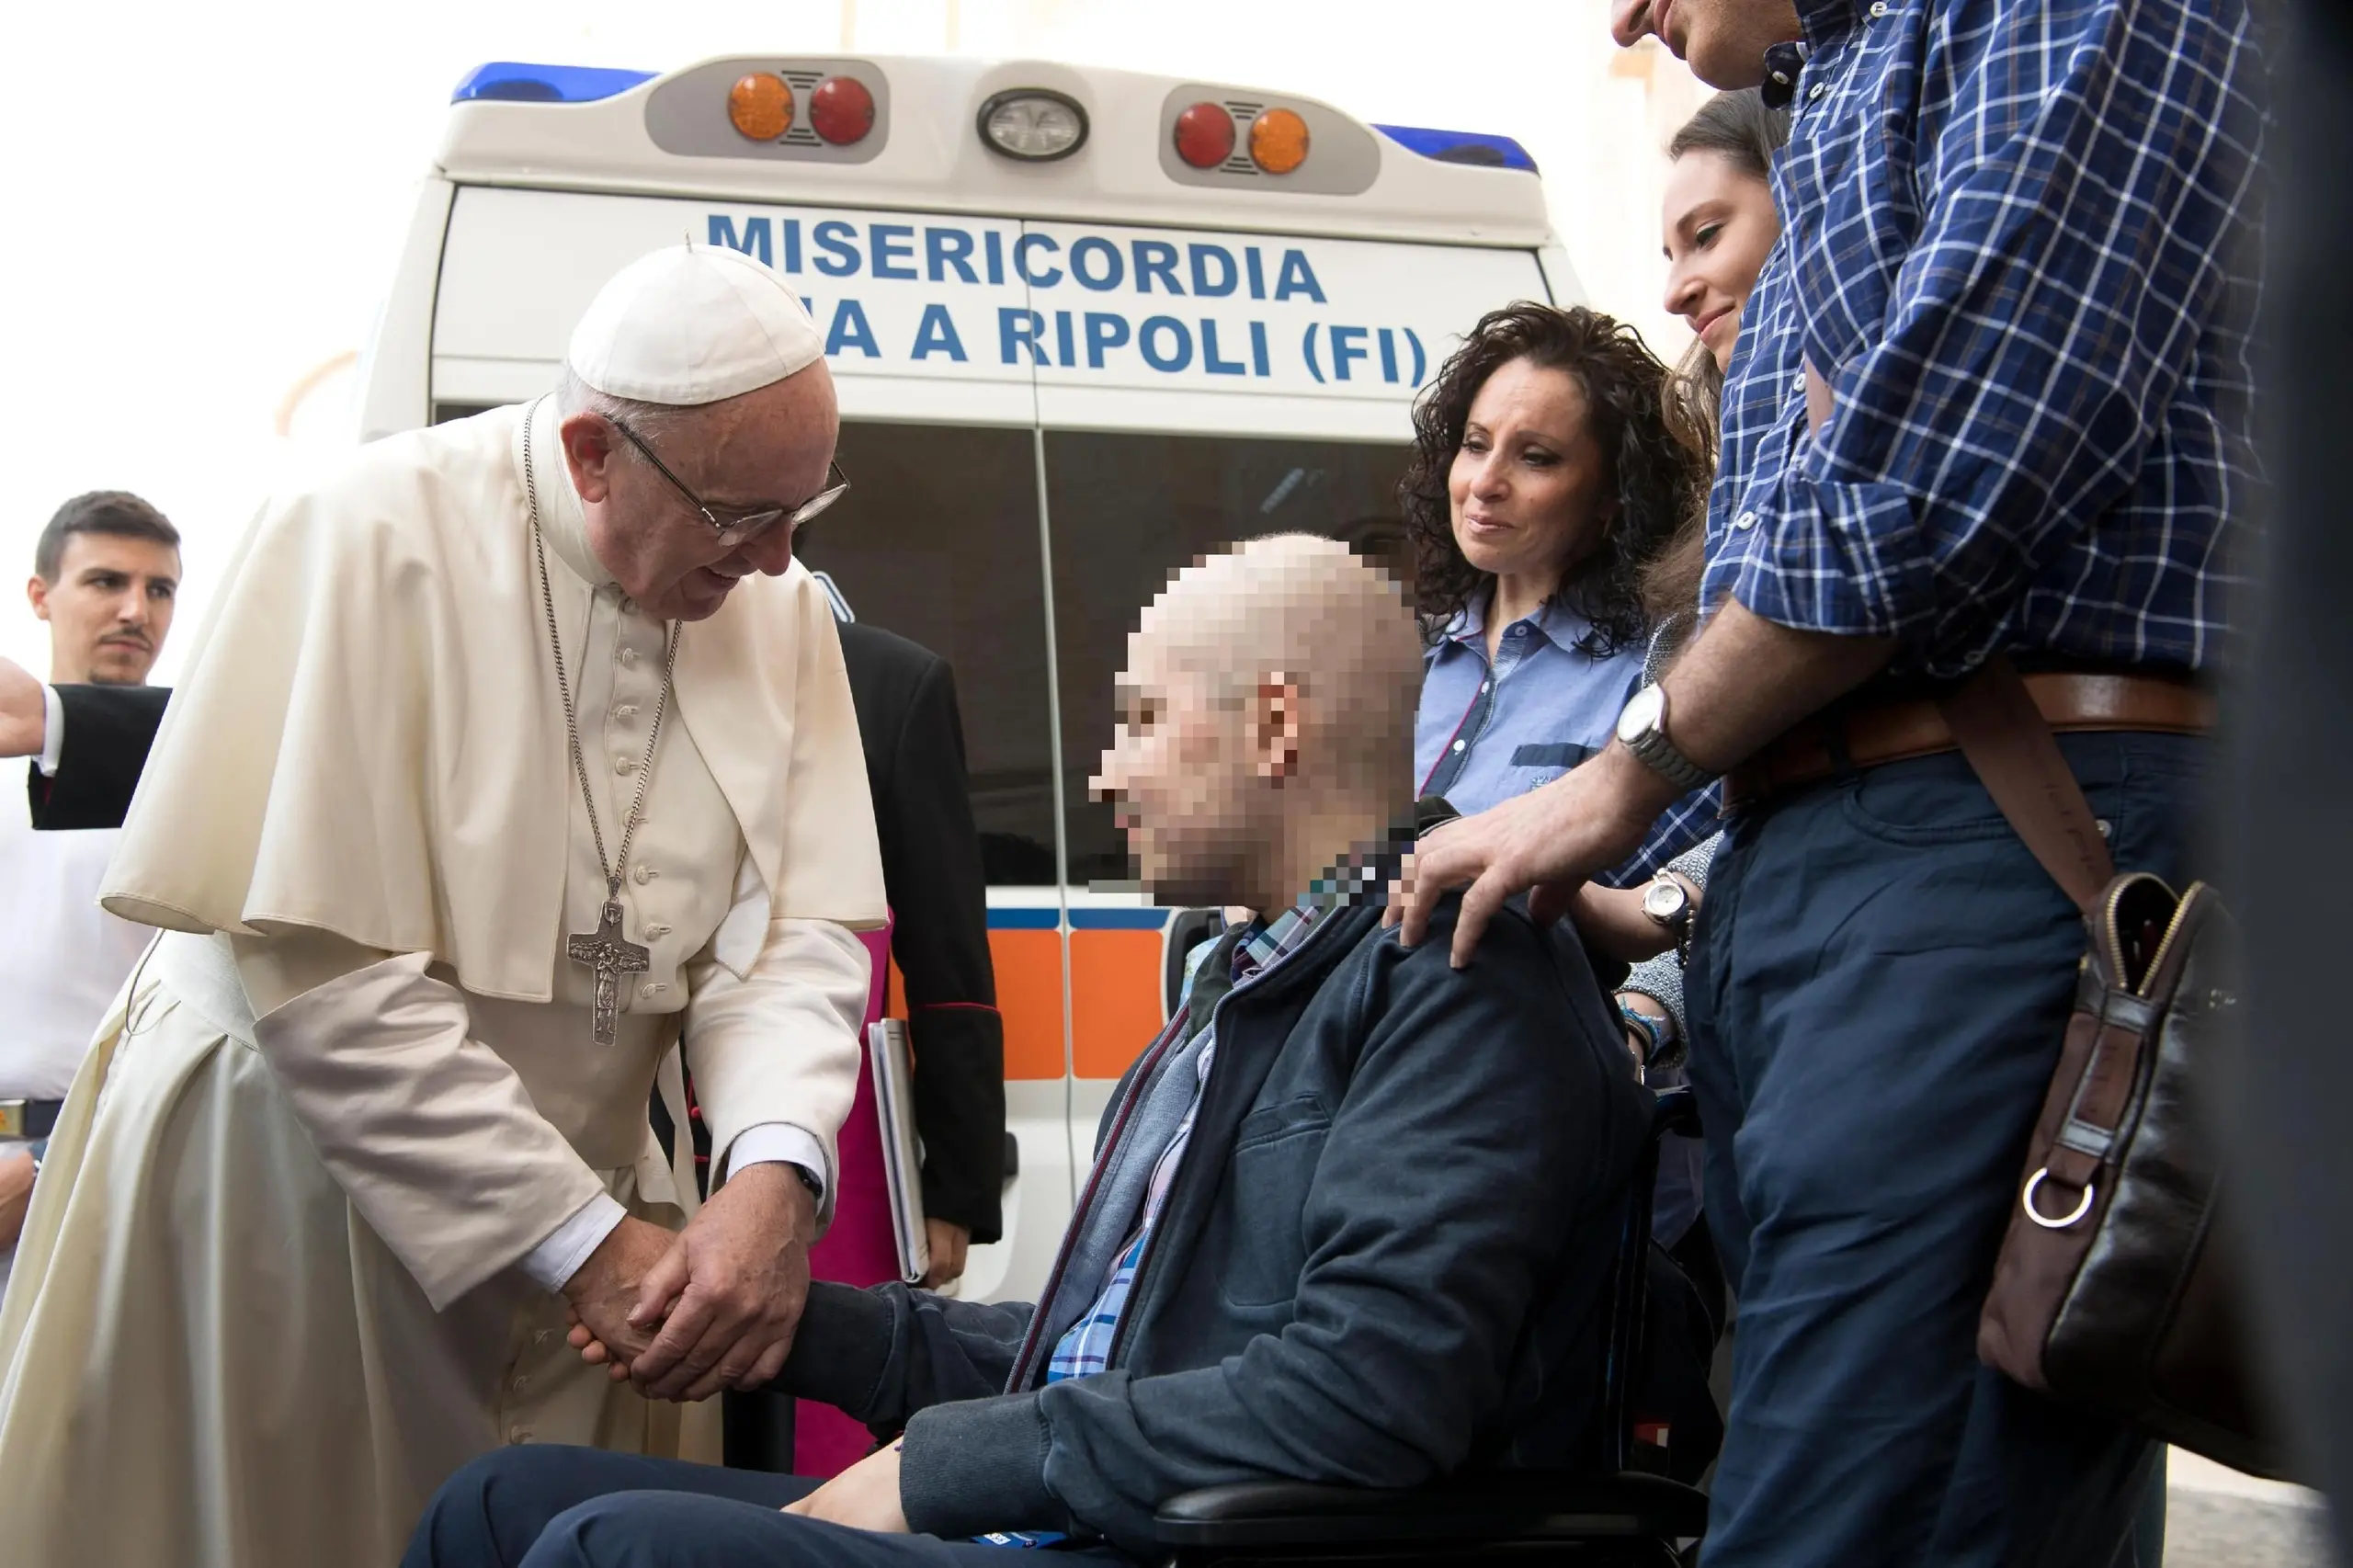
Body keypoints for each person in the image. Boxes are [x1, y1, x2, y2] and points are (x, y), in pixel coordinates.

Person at [1395, 1, 2267, 1563]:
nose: (1629, 16)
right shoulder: (1858, 68)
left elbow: (1940, 467)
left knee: (1859, 1505)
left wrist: (1621, 780)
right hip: (1872, 854)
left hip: (1983, 837)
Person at [404, 532, 1655, 1568]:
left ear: (1276, 724)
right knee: (497, 1505)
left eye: (1144, 719)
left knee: (607, 1550)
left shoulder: (1454, 979)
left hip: (1190, 1544)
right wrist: (780, 1315)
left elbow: (1360, 1401)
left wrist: (943, 1466)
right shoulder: (1242, 985)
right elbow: (1109, 1351)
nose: (1107, 776)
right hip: (1100, 1515)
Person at [0, 244, 891, 1568]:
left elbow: (792, 931)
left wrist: (771, 1168)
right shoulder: (357, 533)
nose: (773, 565)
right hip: (288, 1187)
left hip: (602, 1202)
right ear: (595, 454)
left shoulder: (776, 607)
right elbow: (327, 973)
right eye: (736, 516)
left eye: (798, 514)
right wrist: (574, 1239)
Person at [1409, 302, 1701, 827]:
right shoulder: (1399, 665)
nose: (1484, 483)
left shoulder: (1662, 671)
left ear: (1614, 495)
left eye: (1536, 457)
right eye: (1475, 446)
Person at [0, 493, 183, 1296]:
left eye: (159, 589)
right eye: (106, 581)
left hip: (124, 1160)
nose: (134, 610)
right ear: (41, 596)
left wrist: (48, 1165)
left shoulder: (197, 783)